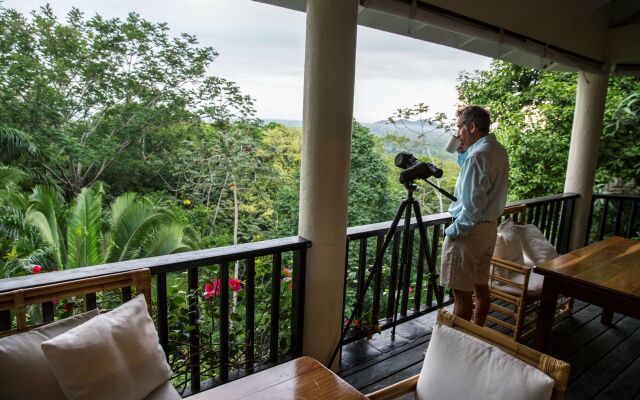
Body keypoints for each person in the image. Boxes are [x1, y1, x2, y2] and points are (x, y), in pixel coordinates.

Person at [440, 105, 509, 326]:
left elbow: (471, 206)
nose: (457, 133)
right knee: (481, 288)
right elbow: (479, 186)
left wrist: (453, 231)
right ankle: (476, 334)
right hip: (488, 230)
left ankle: (454, 349)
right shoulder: (496, 149)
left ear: (471, 127)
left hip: (469, 234)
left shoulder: (477, 156)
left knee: (461, 297)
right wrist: (463, 153)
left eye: (459, 127)